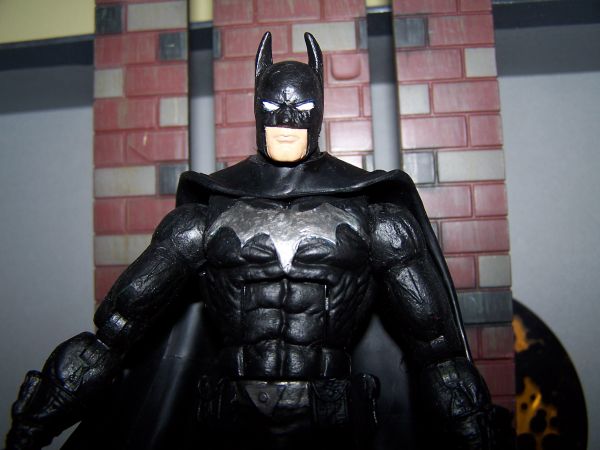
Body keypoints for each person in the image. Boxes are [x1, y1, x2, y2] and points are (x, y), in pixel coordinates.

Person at [5, 32, 495, 450]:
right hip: (229, 418)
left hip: (333, 417)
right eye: (274, 108)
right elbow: (115, 330)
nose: (287, 122)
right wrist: (33, 426)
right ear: (257, 111)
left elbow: (438, 349)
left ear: (320, 112)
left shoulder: (374, 220)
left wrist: (475, 433)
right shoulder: (204, 219)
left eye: (301, 108)